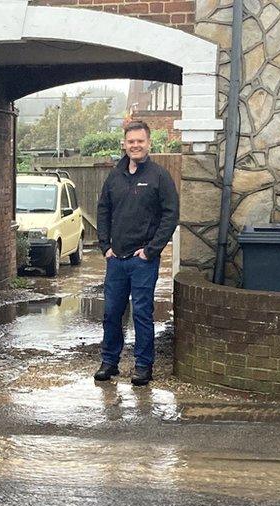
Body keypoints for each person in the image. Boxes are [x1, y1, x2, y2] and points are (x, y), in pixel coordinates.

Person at [93, 121, 179, 386]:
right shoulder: (115, 176)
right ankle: (109, 362)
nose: (135, 145)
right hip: (116, 260)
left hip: (143, 261)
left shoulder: (158, 176)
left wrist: (152, 250)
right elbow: (103, 210)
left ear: (148, 144)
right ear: (125, 144)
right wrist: (105, 246)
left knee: (142, 313)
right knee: (111, 313)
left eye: (140, 141)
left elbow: (171, 215)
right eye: (131, 141)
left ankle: (143, 366)